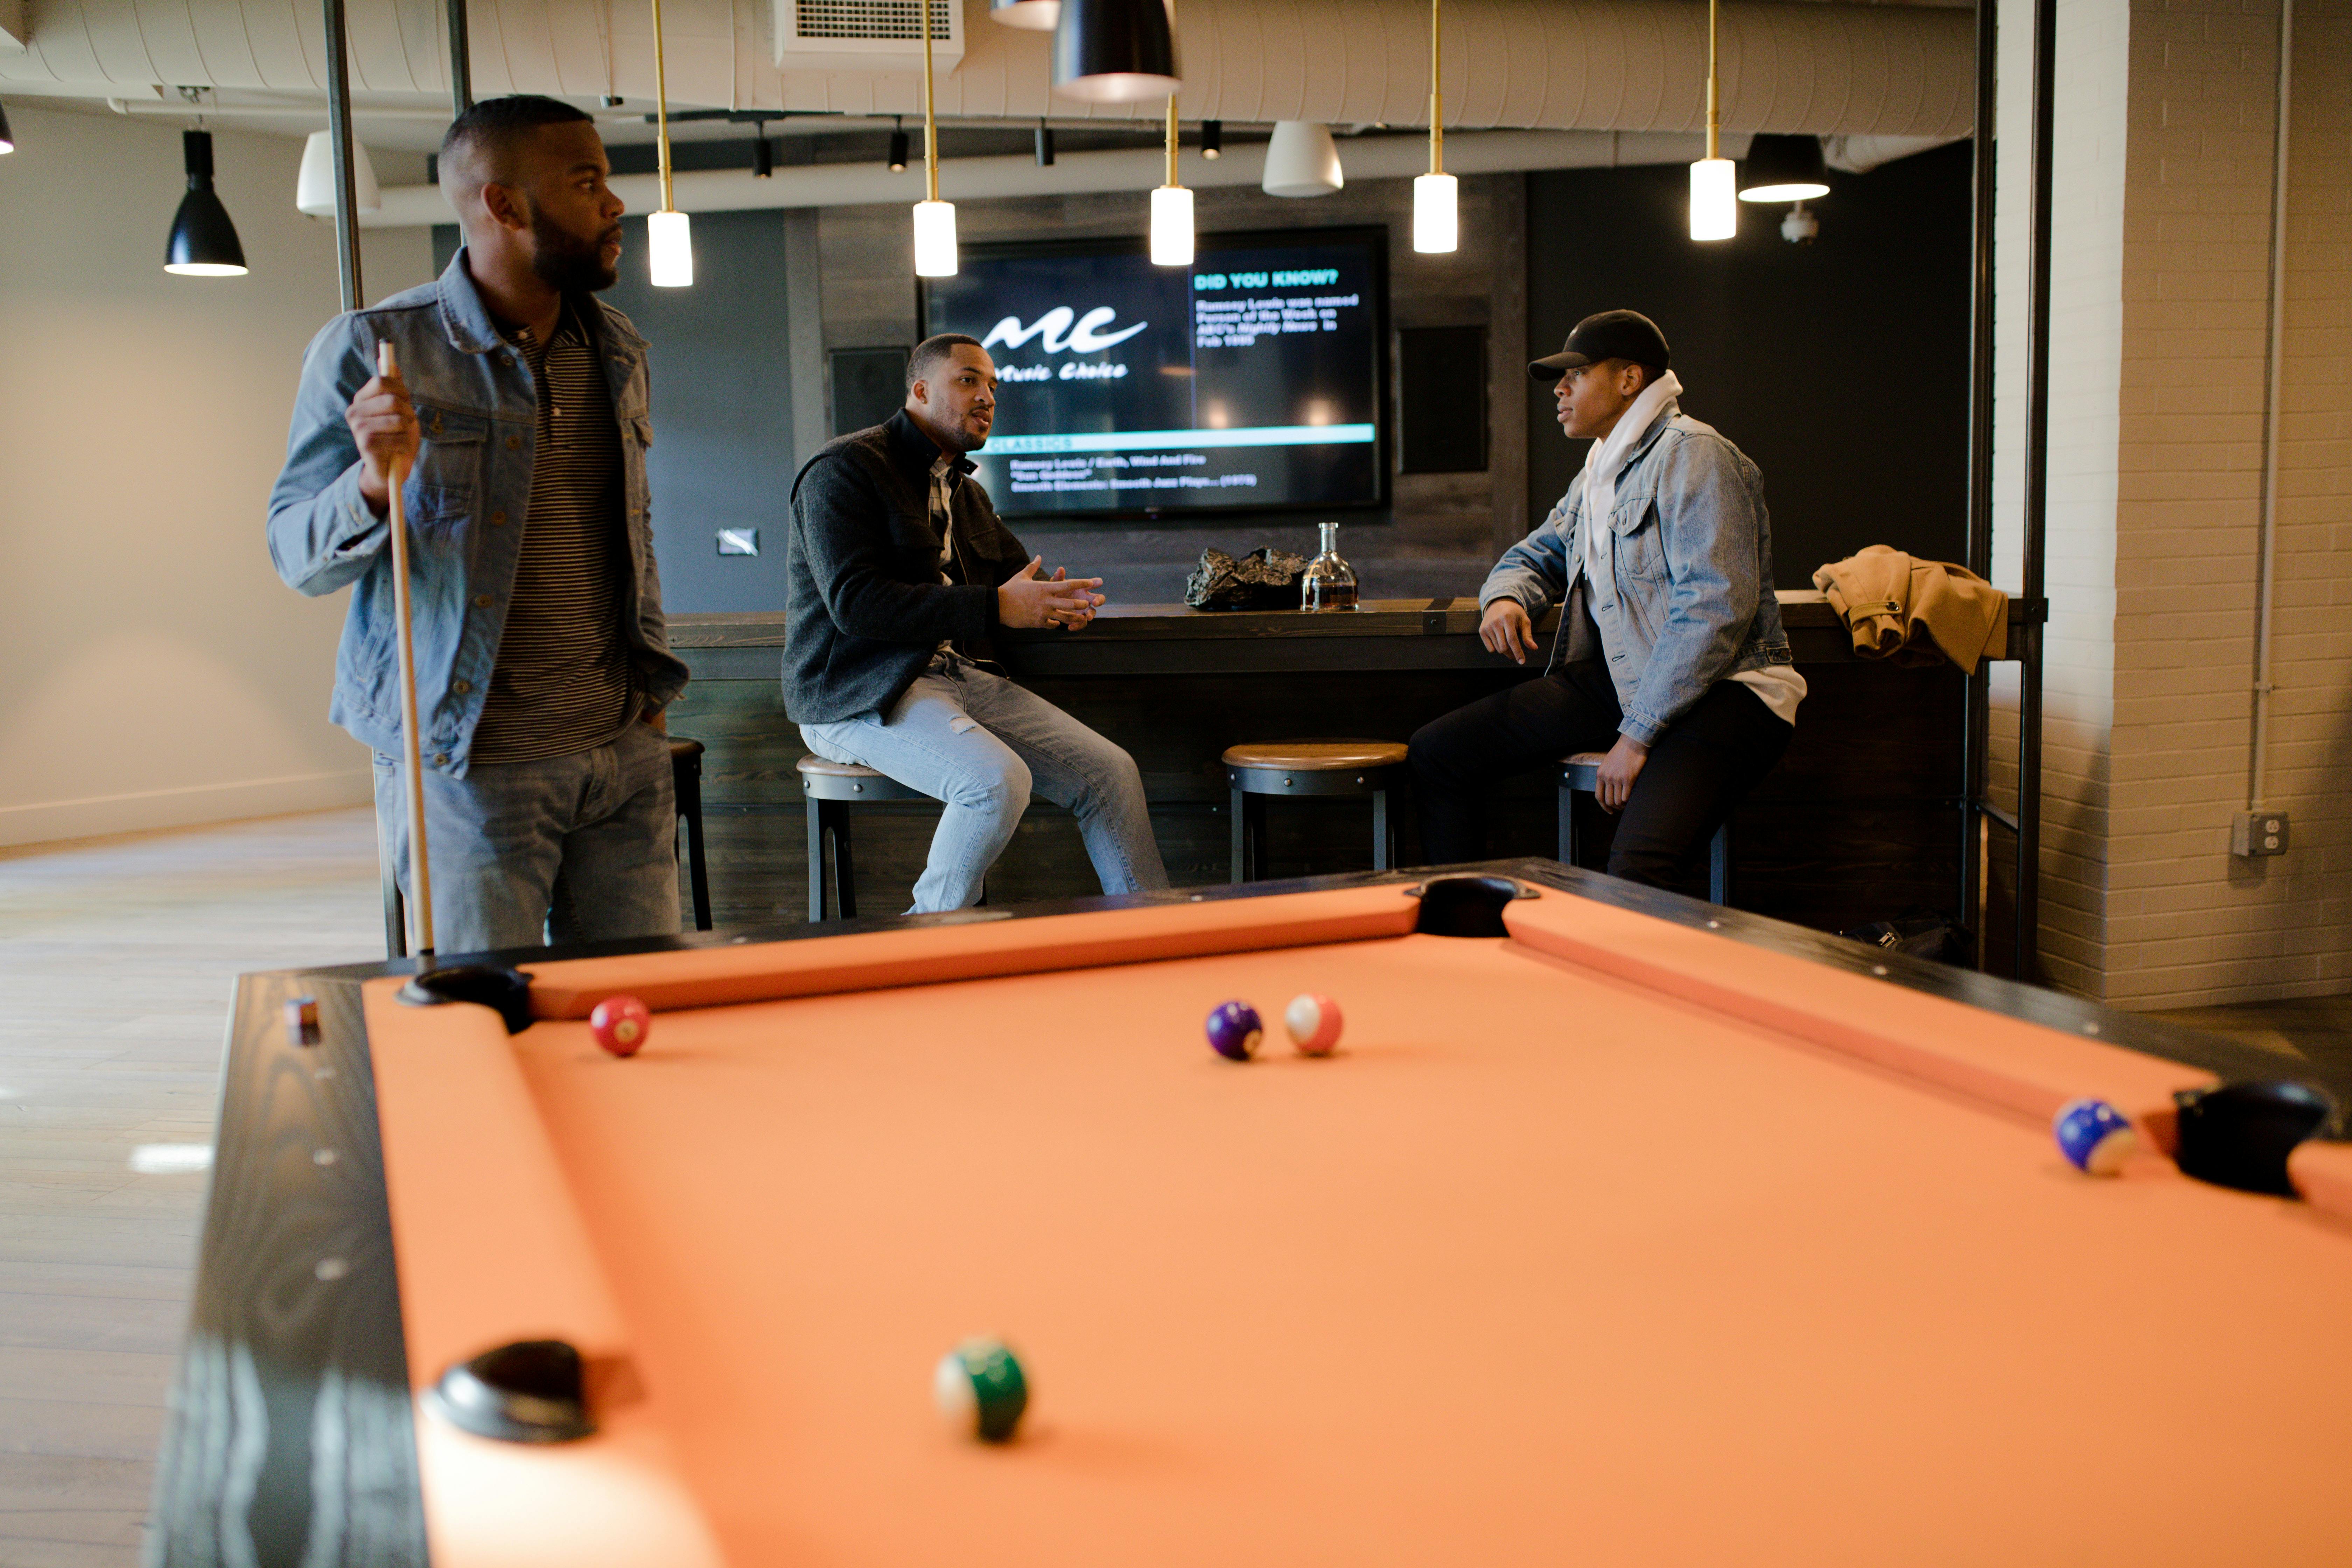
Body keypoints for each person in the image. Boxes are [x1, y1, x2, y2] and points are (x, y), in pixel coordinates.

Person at [266, 94, 688, 952]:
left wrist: (646, 712)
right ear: (503, 205)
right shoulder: (373, 347)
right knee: (476, 1019)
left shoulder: (615, 345)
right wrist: (371, 485)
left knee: (635, 1011)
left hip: (622, 754)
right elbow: (294, 552)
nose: (615, 205)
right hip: (469, 769)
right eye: (587, 182)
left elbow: (629, 535)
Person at [1407, 310, 1805, 889]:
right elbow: (1534, 555)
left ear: (1629, 380)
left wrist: (1637, 735)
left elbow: (1715, 608)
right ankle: (1465, 930)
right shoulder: (1599, 474)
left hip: (1728, 693)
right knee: (1439, 753)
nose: (1561, 391)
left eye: (1578, 373)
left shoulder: (1693, 454)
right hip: (1630, 680)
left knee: (1639, 869)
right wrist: (1506, 599)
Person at [785, 334, 1170, 913]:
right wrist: (1000, 606)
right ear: (920, 390)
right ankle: (924, 951)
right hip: (851, 692)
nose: (987, 396)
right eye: (969, 380)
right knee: (995, 784)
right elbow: (855, 604)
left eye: (993, 385)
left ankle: (1153, 930)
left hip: (947, 676)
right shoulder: (843, 469)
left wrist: (1056, 604)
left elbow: (1016, 578)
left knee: (1111, 772)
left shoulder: (963, 491)